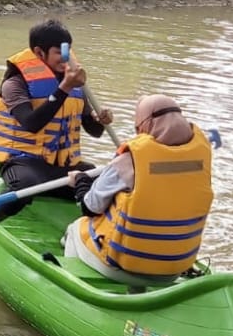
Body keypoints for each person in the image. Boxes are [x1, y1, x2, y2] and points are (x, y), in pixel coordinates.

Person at [63, 94, 213, 287]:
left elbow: (90, 206)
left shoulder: (130, 159)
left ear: (145, 125)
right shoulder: (201, 156)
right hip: (174, 270)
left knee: (77, 227)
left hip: (123, 267)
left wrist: (81, 180)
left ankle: (73, 286)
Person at [0, 19, 113, 219]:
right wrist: (65, 88)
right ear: (39, 53)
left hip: (62, 167)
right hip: (25, 163)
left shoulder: (74, 83)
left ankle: (92, 232)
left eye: (67, 50)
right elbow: (31, 124)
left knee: (104, 180)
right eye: (59, 52)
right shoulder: (15, 83)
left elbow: (94, 131)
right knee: (26, 187)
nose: (65, 58)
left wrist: (100, 121)